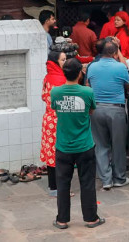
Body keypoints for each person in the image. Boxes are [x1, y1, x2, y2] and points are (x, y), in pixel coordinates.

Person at [51, 58, 105, 230]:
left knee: (63, 183)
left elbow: (55, 109)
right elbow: (91, 111)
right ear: (80, 73)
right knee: (87, 182)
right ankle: (91, 218)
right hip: (84, 145)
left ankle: (62, 220)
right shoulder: (87, 92)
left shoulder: (56, 92)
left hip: (63, 146)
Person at [85, 40, 129, 190]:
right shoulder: (120, 67)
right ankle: (119, 178)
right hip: (116, 109)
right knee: (118, 145)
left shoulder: (92, 66)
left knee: (100, 144)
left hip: (96, 109)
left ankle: (106, 180)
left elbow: (88, 85)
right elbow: (128, 85)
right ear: (114, 53)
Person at [40, 46, 68, 196]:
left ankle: (53, 187)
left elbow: (44, 97)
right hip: (59, 120)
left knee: (51, 154)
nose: (65, 62)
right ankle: (60, 189)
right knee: (62, 154)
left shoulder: (48, 77)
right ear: (55, 62)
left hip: (48, 119)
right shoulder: (61, 79)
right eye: (63, 60)